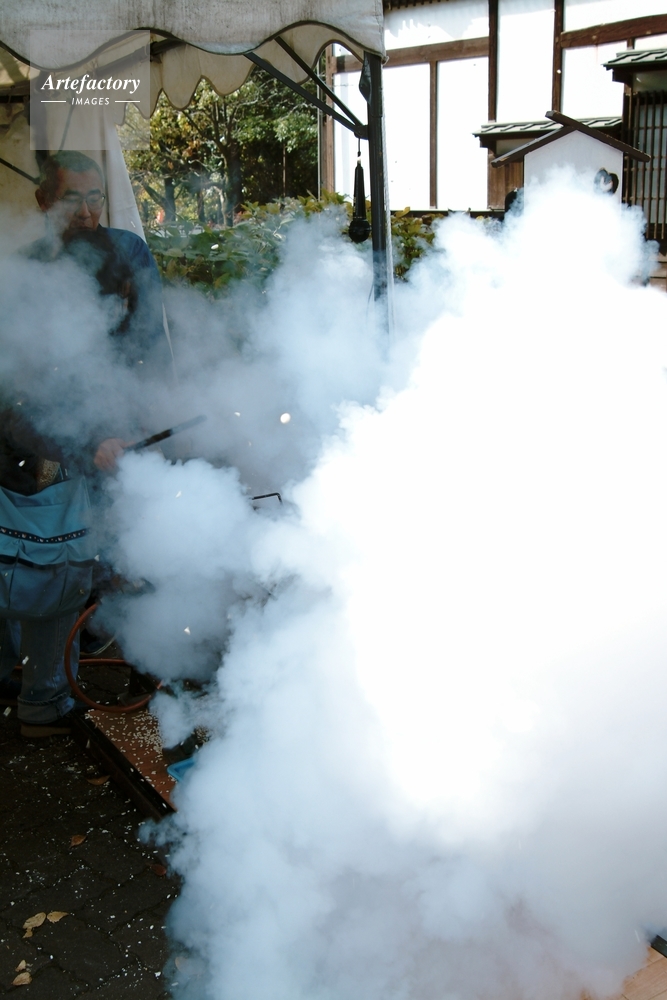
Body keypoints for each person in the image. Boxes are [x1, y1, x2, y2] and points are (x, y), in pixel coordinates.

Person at [0, 151, 164, 736]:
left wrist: (142, 420)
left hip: (120, 431)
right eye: (73, 198)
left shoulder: (129, 252)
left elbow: (151, 347)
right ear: (43, 200)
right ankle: (42, 697)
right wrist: (82, 442)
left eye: (97, 198)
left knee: (129, 558)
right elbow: (14, 396)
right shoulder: (23, 272)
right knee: (49, 571)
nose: (89, 212)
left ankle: (131, 664)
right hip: (54, 447)